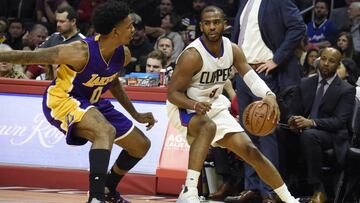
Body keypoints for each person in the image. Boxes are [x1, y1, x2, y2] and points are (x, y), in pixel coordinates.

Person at [0, 1, 156, 203]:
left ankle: (108, 190)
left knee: (140, 145)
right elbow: (29, 55)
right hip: (63, 99)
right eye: (129, 26)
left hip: (93, 102)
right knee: (105, 131)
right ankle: (96, 198)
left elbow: (112, 81)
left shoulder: (123, 54)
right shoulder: (79, 51)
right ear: (116, 31)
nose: (133, 29)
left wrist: (135, 114)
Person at [167, 6, 298, 203]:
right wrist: (193, 105)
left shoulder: (232, 49)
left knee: (251, 151)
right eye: (207, 23)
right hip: (185, 107)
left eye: (216, 22)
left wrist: (268, 95)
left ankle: (288, 199)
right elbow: (172, 93)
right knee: (207, 128)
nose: (212, 27)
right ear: (201, 26)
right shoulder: (192, 55)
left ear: (224, 24)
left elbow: (250, 76)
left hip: (214, 106)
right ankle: (189, 191)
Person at [231, 0, 305, 201]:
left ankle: (270, 190)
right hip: (243, 72)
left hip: (265, 73)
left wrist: (276, 59)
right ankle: (252, 187)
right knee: (247, 132)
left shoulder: (278, 1)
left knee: (265, 131)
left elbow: (298, 27)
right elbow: (240, 37)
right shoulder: (245, 2)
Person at [287, 48, 355, 203]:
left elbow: (339, 122)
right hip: (304, 130)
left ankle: (318, 189)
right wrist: (293, 121)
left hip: (331, 135)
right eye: (323, 59)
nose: (325, 64)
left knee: (310, 135)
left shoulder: (346, 89)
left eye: (331, 61)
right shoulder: (305, 83)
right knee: (278, 132)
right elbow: (292, 111)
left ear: (338, 65)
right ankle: (281, 186)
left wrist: (311, 123)